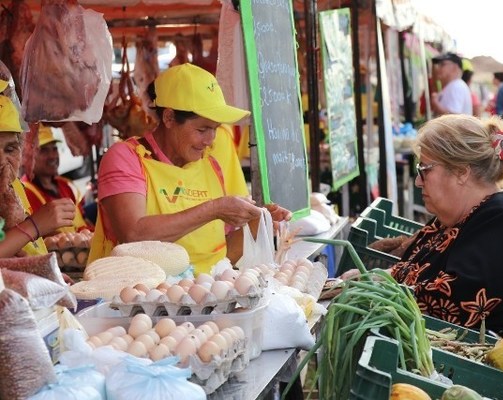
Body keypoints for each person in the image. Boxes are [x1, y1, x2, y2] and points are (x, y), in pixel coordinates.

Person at [348, 114, 503, 340]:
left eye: (425, 169)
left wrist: (373, 285)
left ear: (461, 172)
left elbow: (450, 305)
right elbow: (412, 269)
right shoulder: (460, 217)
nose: (418, 181)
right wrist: (371, 277)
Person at [89, 63, 291, 274]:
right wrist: (213, 209)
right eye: (202, 129)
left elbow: (221, 254)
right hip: (141, 301)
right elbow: (132, 234)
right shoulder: (126, 157)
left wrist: (258, 222)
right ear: (169, 118)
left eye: (215, 129)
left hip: (206, 298)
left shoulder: (210, 166)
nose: (210, 141)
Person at [0, 92, 76, 258]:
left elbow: (21, 251)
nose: (2, 160)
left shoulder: (15, 188)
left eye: (10, 149)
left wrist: (45, 272)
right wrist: (34, 226)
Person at [20, 125, 92, 232]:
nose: (52, 156)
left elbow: (83, 220)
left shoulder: (66, 184)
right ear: (28, 156)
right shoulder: (25, 192)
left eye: (54, 149)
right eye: (44, 150)